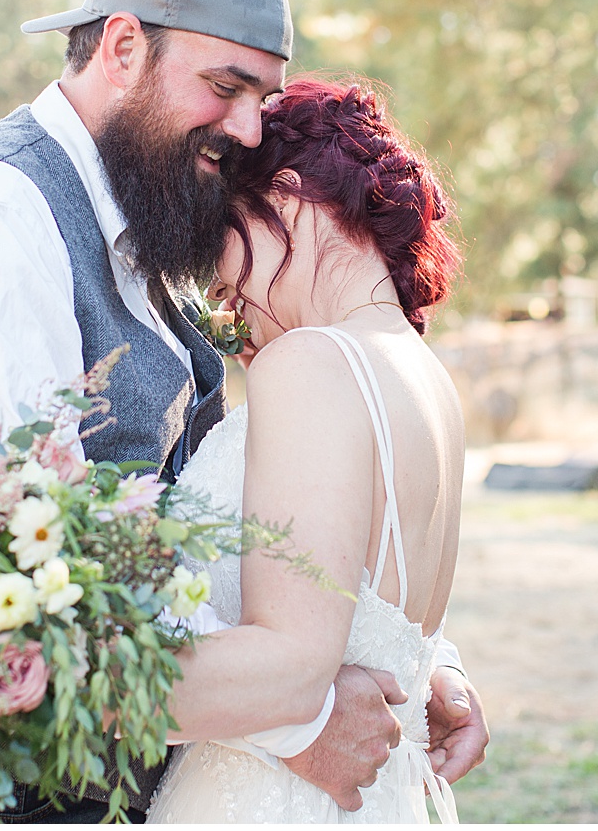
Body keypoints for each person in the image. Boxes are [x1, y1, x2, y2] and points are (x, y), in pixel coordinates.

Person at [0, 0, 487, 822]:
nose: (251, 129)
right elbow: (18, 589)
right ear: (124, 46)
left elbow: (261, 543)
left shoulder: (139, 248)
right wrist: (296, 720)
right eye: (226, 86)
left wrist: (415, 665)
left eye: (265, 97)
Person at [146, 76, 465, 823]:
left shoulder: (315, 362)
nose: (233, 314)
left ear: (285, 196)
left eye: (226, 278)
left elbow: (290, 663)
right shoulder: (425, 377)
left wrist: (50, 680)